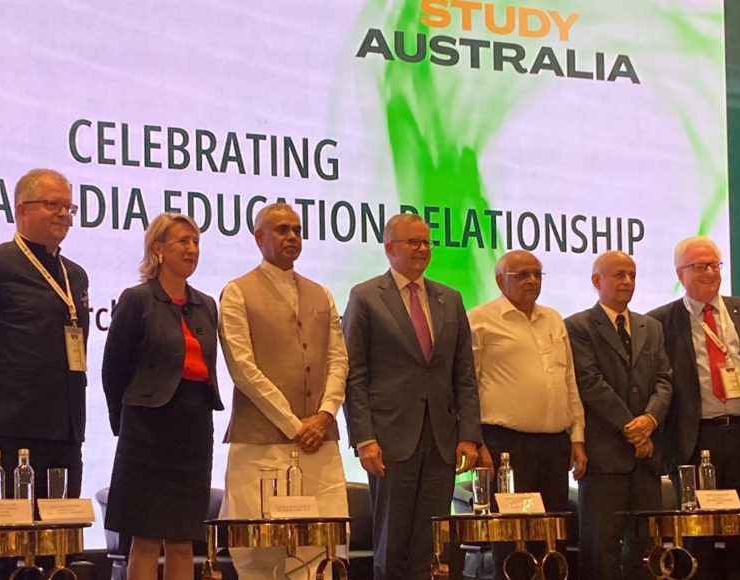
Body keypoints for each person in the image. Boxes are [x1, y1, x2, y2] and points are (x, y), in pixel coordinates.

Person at [342, 213, 480, 580]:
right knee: (393, 541)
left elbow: (463, 373)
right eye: (413, 242)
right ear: (389, 248)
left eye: (426, 242)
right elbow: (353, 374)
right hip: (389, 439)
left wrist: (468, 434)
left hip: (441, 440)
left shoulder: (449, 299)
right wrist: (364, 438)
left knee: (431, 543)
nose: (422, 249)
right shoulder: (366, 296)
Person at [218, 203, 350, 578]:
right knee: (260, 554)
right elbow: (243, 370)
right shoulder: (237, 292)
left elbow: (338, 361)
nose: (292, 237)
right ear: (259, 238)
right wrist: (295, 425)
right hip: (260, 443)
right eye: (281, 230)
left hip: (319, 442)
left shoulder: (321, 293)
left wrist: (324, 416)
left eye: (296, 229)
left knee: (322, 550)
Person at [649, 236, 740, 579]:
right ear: (680, 273)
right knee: (699, 534)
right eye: (700, 266)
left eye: (715, 265)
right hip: (694, 440)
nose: (711, 272)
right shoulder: (660, 321)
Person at [0, 168, 90, 502]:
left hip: (65, 431)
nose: (63, 215)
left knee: (58, 547)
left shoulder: (75, 275)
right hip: (6, 430)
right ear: (21, 209)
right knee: (3, 547)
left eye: (69, 208)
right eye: (53, 204)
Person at [102, 213, 224, 580]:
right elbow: (114, 369)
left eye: (196, 242)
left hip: (193, 425)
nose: (191, 249)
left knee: (184, 539)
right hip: (147, 428)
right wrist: (123, 422)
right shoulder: (138, 299)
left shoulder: (205, 304)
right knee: (146, 538)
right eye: (183, 241)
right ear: (158, 249)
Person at [565, 251, 672, 580]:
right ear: (597, 281)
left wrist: (650, 421)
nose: (628, 282)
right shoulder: (578, 326)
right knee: (602, 549)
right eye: (619, 275)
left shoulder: (650, 326)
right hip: (604, 457)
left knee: (648, 549)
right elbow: (590, 383)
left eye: (633, 275)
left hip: (647, 459)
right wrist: (633, 429)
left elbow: (665, 380)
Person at [467, 250, 586, 513]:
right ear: (500, 282)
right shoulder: (480, 319)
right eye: (522, 275)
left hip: (555, 445)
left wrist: (577, 439)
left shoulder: (553, 318)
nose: (532, 281)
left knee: (553, 534)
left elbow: (568, 382)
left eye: (536, 274)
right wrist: (476, 443)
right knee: (512, 534)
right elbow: (467, 387)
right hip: (505, 444)